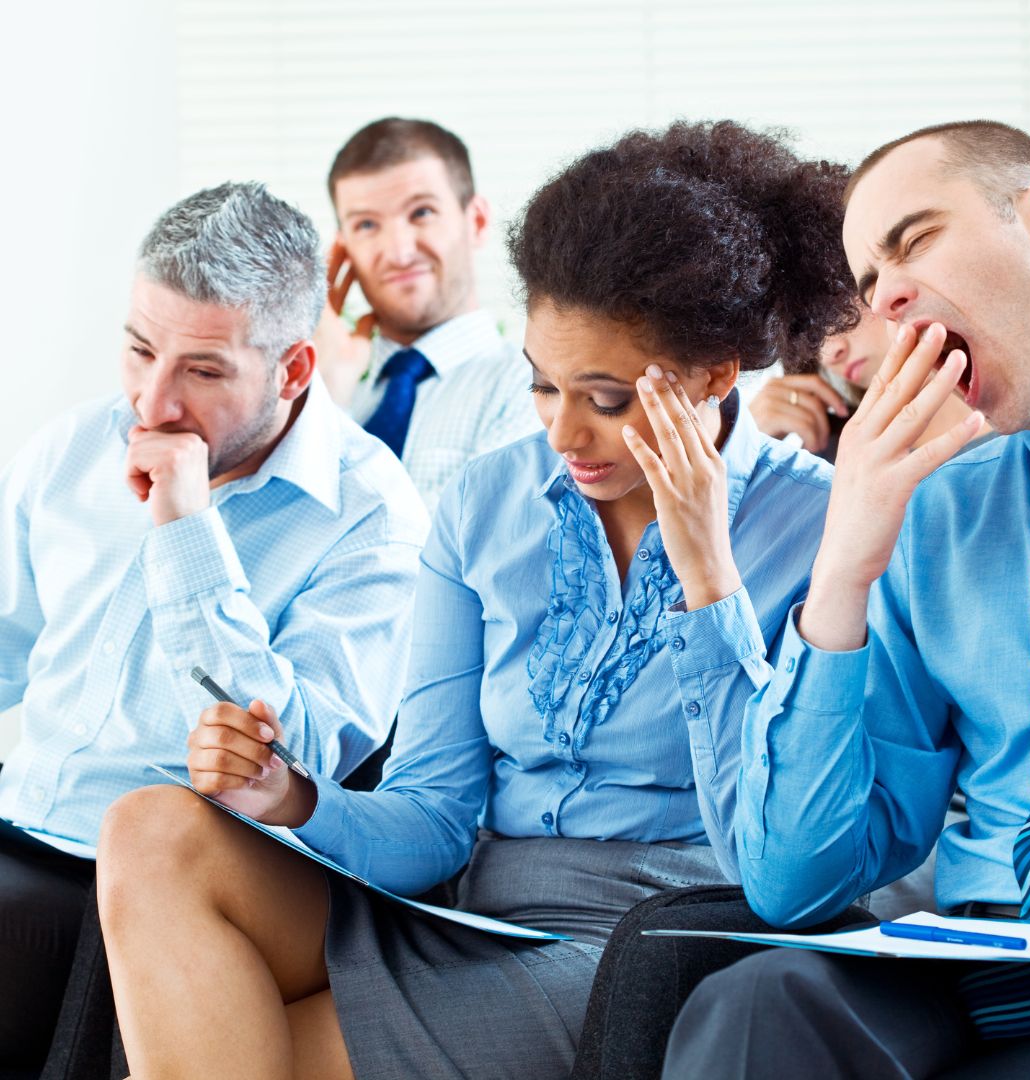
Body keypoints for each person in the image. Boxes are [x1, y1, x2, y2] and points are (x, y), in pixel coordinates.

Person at [93, 120, 857, 1080]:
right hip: (466, 908)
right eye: (540, 386)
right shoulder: (488, 504)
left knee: (241, 1050)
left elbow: (781, 849)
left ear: (715, 375)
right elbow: (434, 817)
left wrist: (709, 572)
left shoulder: (818, 528)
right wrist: (287, 795)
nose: (564, 434)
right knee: (149, 831)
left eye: (607, 399)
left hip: (652, 944)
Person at [658, 120, 1030, 1077]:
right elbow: (793, 882)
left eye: (915, 241)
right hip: (988, 961)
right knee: (757, 1005)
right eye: (868, 284)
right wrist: (844, 567)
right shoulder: (939, 505)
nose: (887, 299)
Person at [0, 182, 427, 1070]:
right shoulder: (71, 449)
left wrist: (188, 535)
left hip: (161, 881)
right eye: (139, 351)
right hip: (16, 824)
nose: (151, 406)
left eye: (201, 371)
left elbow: (299, 760)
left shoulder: (370, 514)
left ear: (294, 370)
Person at [314, 116, 541, 512]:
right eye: (366, 224)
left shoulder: (531, 389)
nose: (399, 251)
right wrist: (325, 393)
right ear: (342, 249)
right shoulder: (326, 395)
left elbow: (454, 554)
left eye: (421, 213)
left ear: (477, 221)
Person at [750, 304, 992, 460]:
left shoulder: (1023, 419)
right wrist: (746, 447)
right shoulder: (835, 463)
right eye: (808, 336)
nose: (829, 354)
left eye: (839, 312)